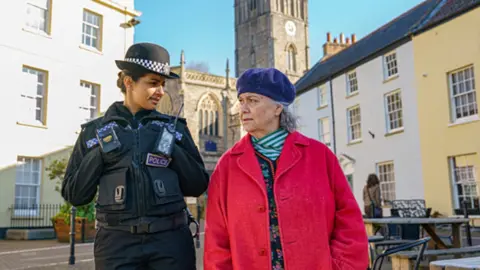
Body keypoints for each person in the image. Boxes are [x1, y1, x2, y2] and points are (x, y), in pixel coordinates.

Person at [62, 42, 209, 270]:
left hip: (171, 243)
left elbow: (198, 185)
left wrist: (172, 149)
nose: (161, 91)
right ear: (129, 82)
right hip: (116, 245)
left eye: (162, 84)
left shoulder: (175, 128)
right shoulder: (94, 132)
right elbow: (75, 194)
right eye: (153, 83)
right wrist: (101, 153)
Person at [203, 68, 369, 270]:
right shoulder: (227, 166)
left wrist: (341, 267)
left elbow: (349, 223)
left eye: (253, 100)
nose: (243, 108)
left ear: (277, 108)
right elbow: (216, 241)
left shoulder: (320, 156)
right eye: (241, 100)